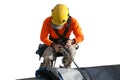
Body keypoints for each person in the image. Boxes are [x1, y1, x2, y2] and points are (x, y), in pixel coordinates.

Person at [40, 4, 84, 68]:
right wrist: (53, 45)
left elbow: (81, 36)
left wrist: (72, 41)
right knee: (47, 57)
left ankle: (67, 67)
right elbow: (43, 37)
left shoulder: (73, 22)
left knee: (72, 52)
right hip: (53, 43)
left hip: (66, 43)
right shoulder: (47, 21)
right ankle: (47, 69)